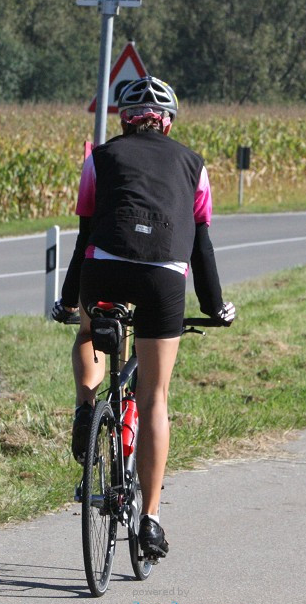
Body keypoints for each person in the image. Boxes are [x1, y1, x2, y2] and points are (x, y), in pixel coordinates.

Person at [52, 75, 235, 561]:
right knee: (154, 395)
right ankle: (150, 520)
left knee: (91, 330)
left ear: (123, 120)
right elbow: (201, 246)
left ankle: (88, 406)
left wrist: (70, 301)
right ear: (168, 122)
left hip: (105, 267)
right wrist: (215, 306)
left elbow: (84, 234)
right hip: (162, 279)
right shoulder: (194, 165)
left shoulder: (100, 157)